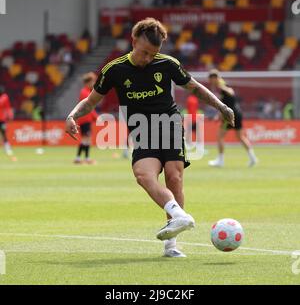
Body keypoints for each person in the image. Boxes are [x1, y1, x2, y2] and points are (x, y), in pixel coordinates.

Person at [65, 18, 234, 258]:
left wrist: (221, 106)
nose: (147, 59)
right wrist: (72, 115)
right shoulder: (114, 69)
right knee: (143, 176)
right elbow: (91, 101)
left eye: (153, 54)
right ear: (133, 41)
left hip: (169, 125)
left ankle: (171, 245)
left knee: (174, 178)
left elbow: (195, 88)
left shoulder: (168, 64)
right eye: (144, 52)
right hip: (142, 132)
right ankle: (180, 216)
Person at [207, 69, 257, 167]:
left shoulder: (223, 85)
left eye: (211, 79)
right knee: (240, 137)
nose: (210, 81)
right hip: (237, 113)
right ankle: (253, 158)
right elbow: (226, 102)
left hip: (231, 115)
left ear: (215, 78)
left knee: (220, 136)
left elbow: (231, 92)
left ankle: (220, 161)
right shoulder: (220, 87)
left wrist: (222, 87)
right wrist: (218, 115)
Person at [73, 72, 98, 164]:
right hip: (85, 118)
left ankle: (82, 158)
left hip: (85, 118)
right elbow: (89, 107)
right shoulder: (85, 92)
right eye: (93, 81)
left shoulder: (85, 91)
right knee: (86, 139)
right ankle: (80, 158)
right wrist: (96, 117)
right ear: (88, 82)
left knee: (86, 139)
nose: (94, 83)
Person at [0, 86, 14, 157]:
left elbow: (6, 106)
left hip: (2, 119)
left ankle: (7, 148)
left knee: (3, 133)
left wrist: (10, 116)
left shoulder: (4, 97)